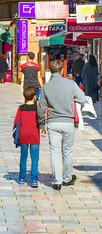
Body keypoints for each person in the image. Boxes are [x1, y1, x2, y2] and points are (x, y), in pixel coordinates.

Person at [38, 58, 86, 191]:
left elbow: (41, 107)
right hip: (68, 122)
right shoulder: (70, 84)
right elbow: (82, 98)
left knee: (54, 152)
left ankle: (57, 180)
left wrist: (41, 125)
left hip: (53, 122)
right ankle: (67, 177)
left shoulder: (46, 87)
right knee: (68, 151)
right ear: (62, 70)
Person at [14, 87, 40, 187]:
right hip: (34, 135)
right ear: (34, 97)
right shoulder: (36, 109)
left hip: (23, 135)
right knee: (35, 157)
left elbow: (16, 121)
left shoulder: (21, 108)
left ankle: (22, 177)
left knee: (23, 157)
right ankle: (34, 179)